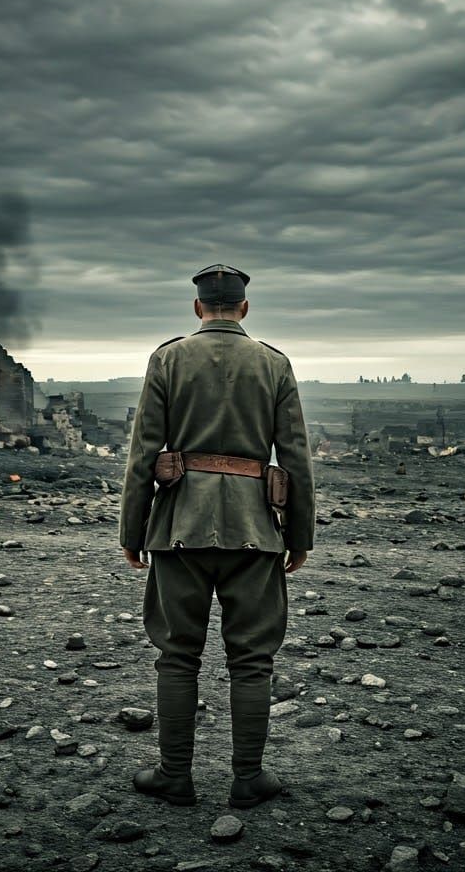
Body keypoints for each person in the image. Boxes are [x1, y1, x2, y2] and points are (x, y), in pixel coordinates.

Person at [118, 263, 316, 808]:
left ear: (199, 308)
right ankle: (247, 779)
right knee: (253, 660)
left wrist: (131, 531)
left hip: (178, 525)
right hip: (256, 529)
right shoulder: (274, 363)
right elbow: (295, 455)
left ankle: (174, 776)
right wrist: (300, 537)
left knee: (177, 657)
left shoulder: (168, 358)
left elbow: (143, 452)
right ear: (245, 309)